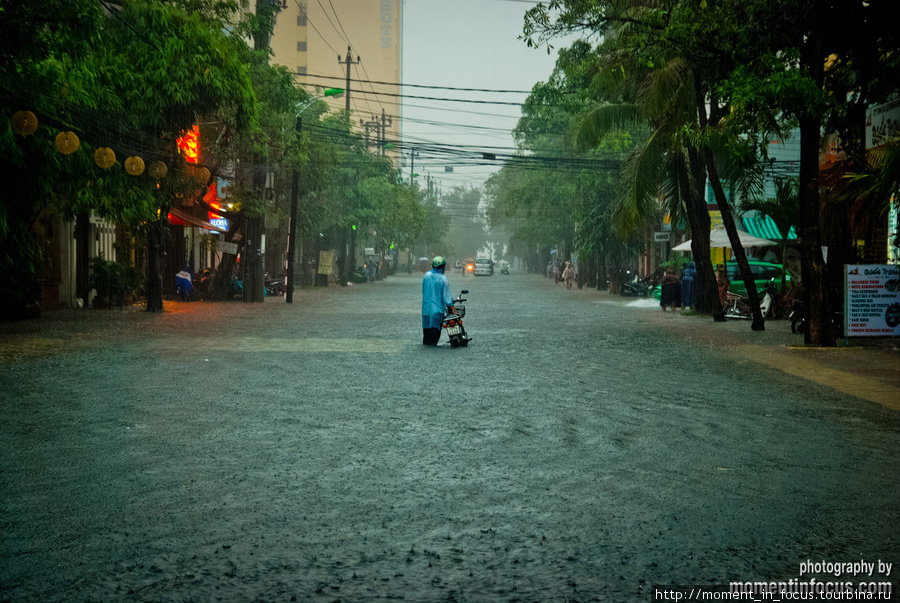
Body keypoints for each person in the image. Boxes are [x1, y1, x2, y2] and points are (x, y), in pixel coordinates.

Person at [422, 256, 454, 346]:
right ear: (443, 267)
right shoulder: (443, 279)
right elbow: (447, 298)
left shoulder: (426, 276)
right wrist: (452, 308)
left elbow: (423, 291)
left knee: (426, 337)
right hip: (437, 311)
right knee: (434, 338)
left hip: (426, 310)